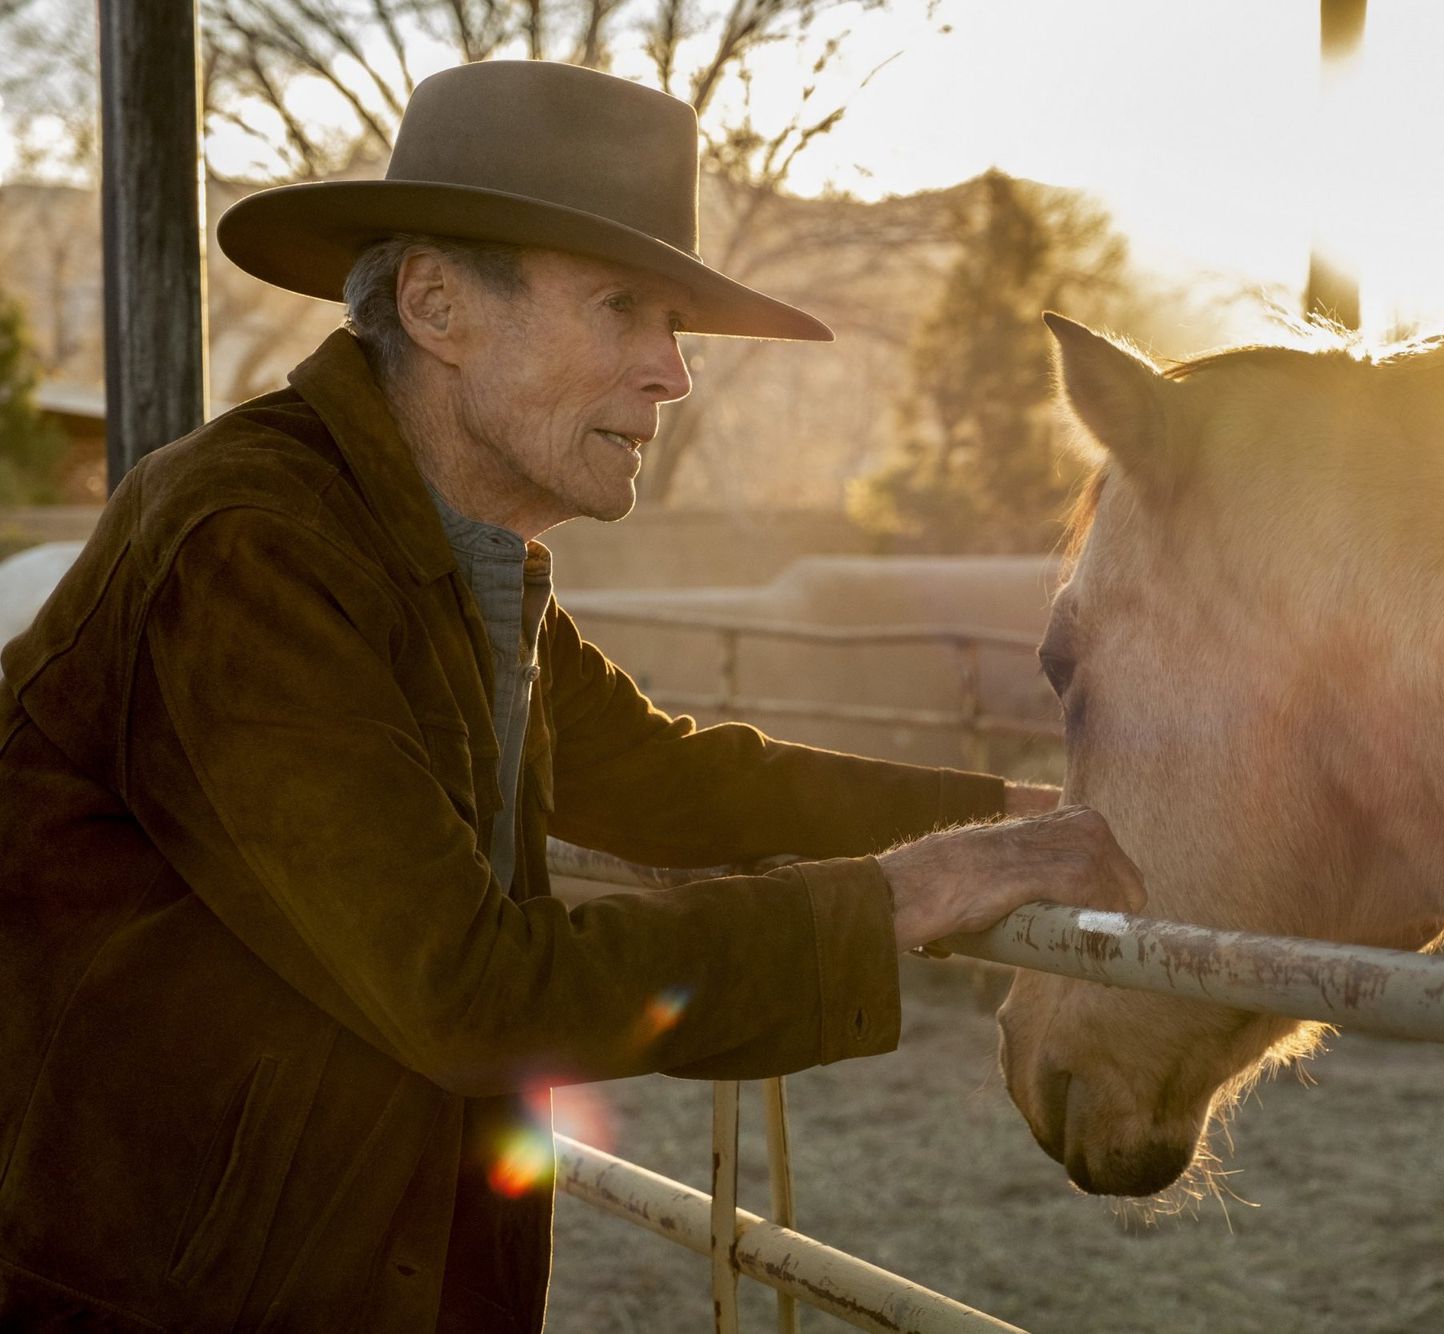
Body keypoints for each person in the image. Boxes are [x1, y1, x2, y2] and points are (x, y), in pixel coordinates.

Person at [0, 60, 1143, 1331]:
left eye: (674, 323)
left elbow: (663, 775)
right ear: (436, 304)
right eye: (620, 308)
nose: (674, 373)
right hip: (158, 1295)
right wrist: (905, 895)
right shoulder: (249, 547)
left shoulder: (444, 549)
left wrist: (1011, 816)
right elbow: (469, 990)